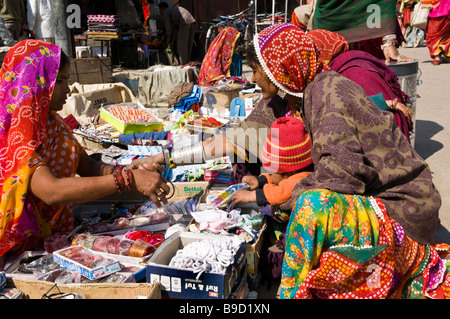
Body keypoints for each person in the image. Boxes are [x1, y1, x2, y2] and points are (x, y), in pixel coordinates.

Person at [242, 23, 446, 299]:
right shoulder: (309, 92)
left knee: (310, 206)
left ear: (279, 68)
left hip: (404, 209)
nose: (253, 78)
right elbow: (250, 133)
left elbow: (342, 175)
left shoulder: (327, 93)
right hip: (390, 201)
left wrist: (274, 196)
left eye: (256, 70)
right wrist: (270, 187)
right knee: (297, 200)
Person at [0, 40, 171, 258]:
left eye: (67, 80)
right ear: (34, 84)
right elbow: (52, 191)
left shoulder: (53, 123)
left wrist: (130, 168)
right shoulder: (15, 136)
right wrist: (130, 179)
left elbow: (88, 166)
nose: (68, 89)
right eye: (60, 81)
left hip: (56, 238)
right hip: (20, 251)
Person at [306, 29, 414, 142]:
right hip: (395, 133)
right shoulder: (353, 57)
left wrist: (389, 103)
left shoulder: (346, 74)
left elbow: (353, 107)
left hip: (380, 139)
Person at [292, 0, 413, 64]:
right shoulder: (301, 16)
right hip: (327, 27)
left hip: (368, 44)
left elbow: (384, 3)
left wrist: (388, 42)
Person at [231, 116, 313, 209]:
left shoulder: (300, 180)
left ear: (290, 172)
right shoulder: (290, 175)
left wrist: (250, 196)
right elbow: (276, 178)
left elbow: (280, 193)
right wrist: (260, 181)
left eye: (271, 172)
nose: (269, 174)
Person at [423, 0, 450, 65]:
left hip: (446, 8)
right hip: (434, 9)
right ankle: (438, 55)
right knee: (432, 34)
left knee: (445, 35)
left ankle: (441, 54)